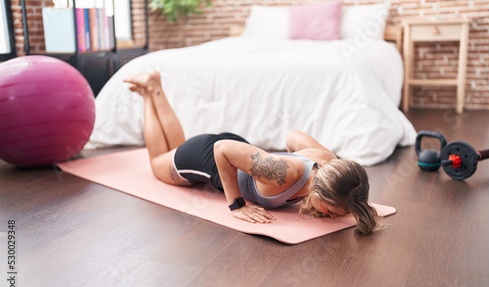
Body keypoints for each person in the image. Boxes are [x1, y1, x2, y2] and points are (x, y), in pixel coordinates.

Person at [124, 71, 382, 235]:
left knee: (173, 148)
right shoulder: (283, 173)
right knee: (159, 162)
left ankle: (154, 84)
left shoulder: (329, 163)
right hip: (210, 158)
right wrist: (237, 206)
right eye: (332, 211)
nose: (331, 216)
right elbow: (221, 149)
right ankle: (148, 94)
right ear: (322, 191)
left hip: (245, 154)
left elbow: (293, 136)